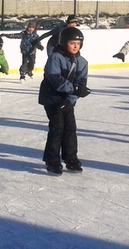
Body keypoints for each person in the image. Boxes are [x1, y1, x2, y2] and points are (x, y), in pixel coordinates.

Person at [38, 27, 90, 175]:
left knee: (70, 128)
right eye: (72, 43)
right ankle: (52, 159)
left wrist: (70, 100)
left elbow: (81, 85)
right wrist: (74, 89)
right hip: (51, 97)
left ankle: (71, 158)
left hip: (67, 99)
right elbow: (55, 79)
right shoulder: (55, 58)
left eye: (78, 44)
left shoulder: (82, 62)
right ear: (63, 42)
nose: (75, 46)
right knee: (57, 127)